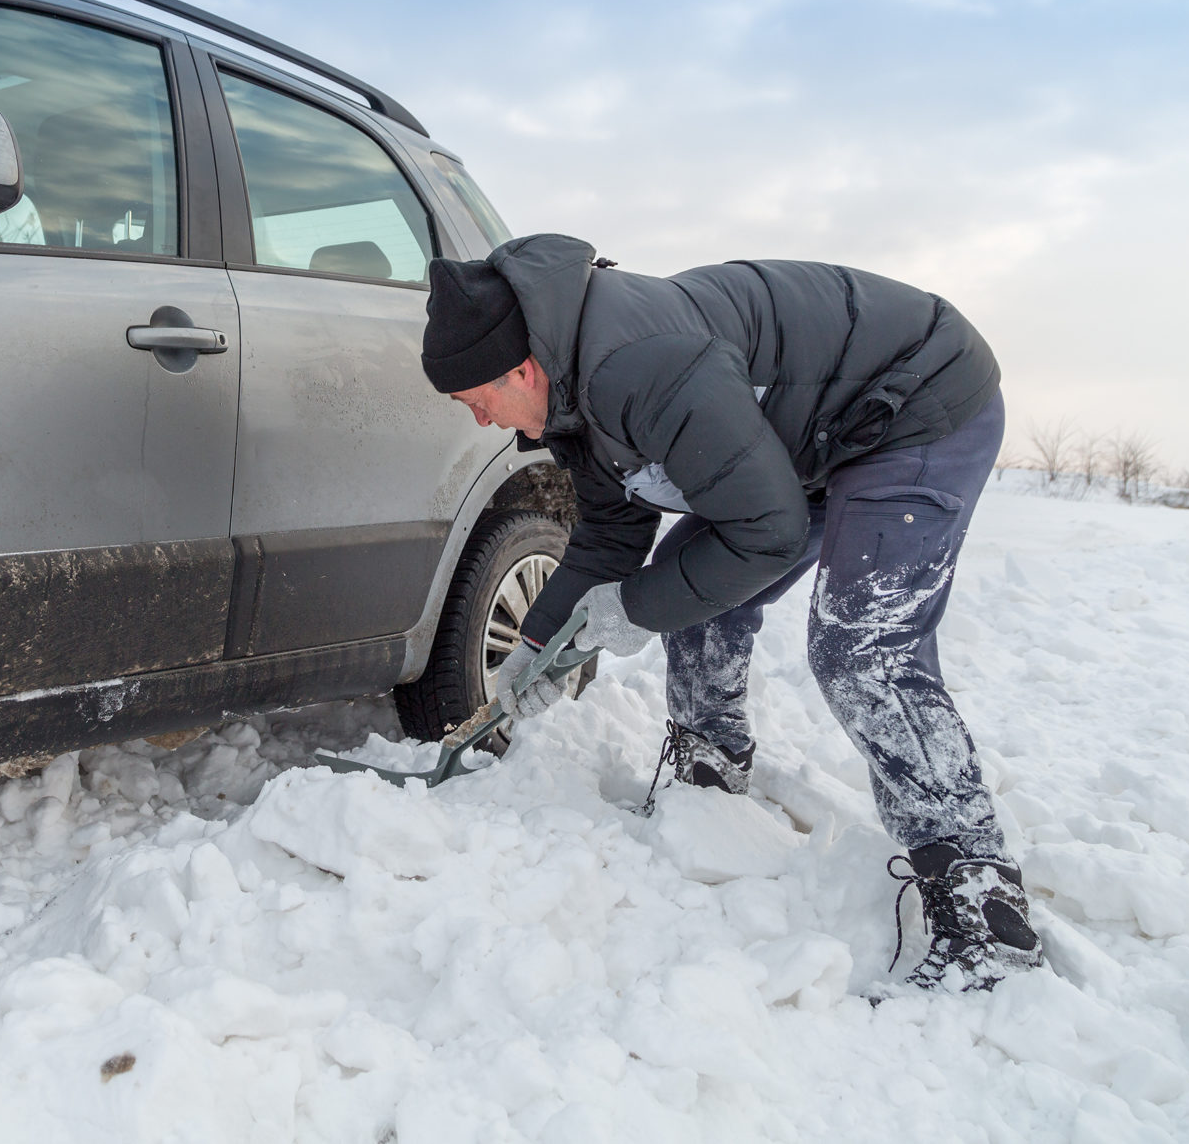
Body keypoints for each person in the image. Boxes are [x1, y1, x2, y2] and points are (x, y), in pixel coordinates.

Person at [420, 233, 1042, 992]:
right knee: (700, 589)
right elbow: (611, 534)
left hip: (916, 402)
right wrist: (542, 639)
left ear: (522, 367)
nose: (482, 420)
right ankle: (708, 780)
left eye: (477, 401)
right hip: (809, 440)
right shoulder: (569, 392)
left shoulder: (640, 365)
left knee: (862, 646)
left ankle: (983, 905)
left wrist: (635, 607)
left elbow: (768, 531)